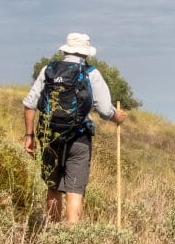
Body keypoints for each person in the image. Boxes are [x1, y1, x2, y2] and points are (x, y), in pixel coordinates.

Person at [23, 32, 126, 223]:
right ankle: (72, 241)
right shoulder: (91, 73)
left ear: (66, 50)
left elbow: (29, 104)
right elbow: (104, 110)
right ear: (86, 53)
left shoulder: (48, 70)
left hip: (49, 136)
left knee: (53, 187)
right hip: (79, 138)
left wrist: (29, 135)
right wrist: (116, 116)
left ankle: (53, 234)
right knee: (75, 190)